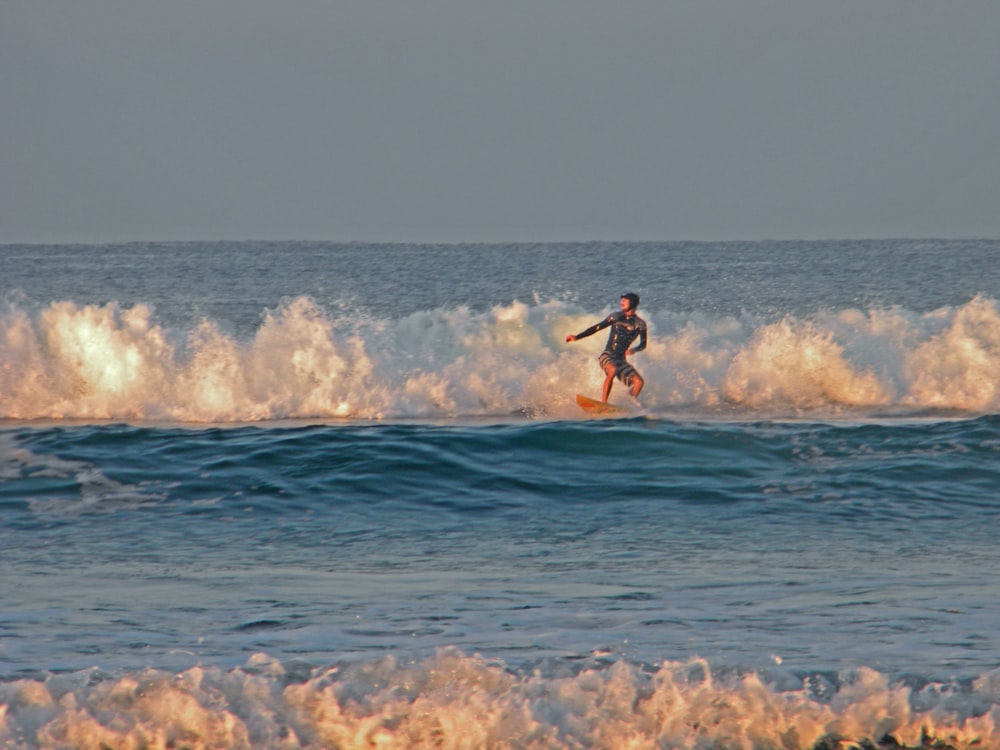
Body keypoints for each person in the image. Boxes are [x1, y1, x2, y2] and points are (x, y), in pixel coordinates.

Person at [566, 293, 647, 402]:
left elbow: (643, 345)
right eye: (621, 300)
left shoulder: (640, 324)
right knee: (612, 370)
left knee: (639, 382)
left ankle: (628, 404)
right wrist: (577, 337)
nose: (621, 302)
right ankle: (604, 403)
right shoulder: (616, 317)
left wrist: (634, 349)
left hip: (621, 361)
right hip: (607, 356)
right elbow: (596, 328)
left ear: (632, 303)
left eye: (625, 300)